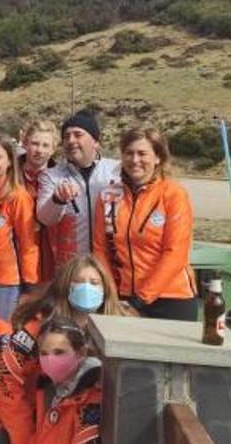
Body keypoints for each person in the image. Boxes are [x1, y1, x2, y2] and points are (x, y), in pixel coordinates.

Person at [0, 256, 131, 444]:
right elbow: (4, 374)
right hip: (33, 419)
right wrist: (23, 435)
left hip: (91, 422)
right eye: (80, 282)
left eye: (94, 283)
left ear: (106, 289)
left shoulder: (122, 327)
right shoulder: (40, 324)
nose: (87, 288)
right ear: (67, 286)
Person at [92, 125, 197, 321]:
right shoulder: (108, 196)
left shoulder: (174, 195)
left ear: (158, 157)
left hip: (171, 298)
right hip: (123, 298)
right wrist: (112, 293)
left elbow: (176, 253)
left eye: (142, 154)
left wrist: (140, 299)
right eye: (129, 153)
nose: (135, 160)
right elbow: (100, 250)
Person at [35, 110, 121, 270]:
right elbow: (44, 218)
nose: (70, 140)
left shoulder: (117, 171)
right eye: (66, 136)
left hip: (112, 267)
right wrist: (57, 200)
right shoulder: (52, 175)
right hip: (71, 269)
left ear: (95, 141)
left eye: (78, 134)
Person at [0, 136, 39, 320]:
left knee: (2, 334)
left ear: (10, 161)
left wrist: (29, 284)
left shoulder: (17, 196)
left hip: (7, 280)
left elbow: (27, 243)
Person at [31, 318, 102, 444]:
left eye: (59, 352)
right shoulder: (47, 388)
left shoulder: (93, 398)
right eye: (44, 353)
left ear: (81, 353)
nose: (50, 360)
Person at [19, 120, 59, 282]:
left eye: (45, 145)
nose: (39, 150)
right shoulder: (9, 175)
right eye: (35, 144)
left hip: (51, 257)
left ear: (53, 149)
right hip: (16, 259)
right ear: (25, 143)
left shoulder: (61, 178)